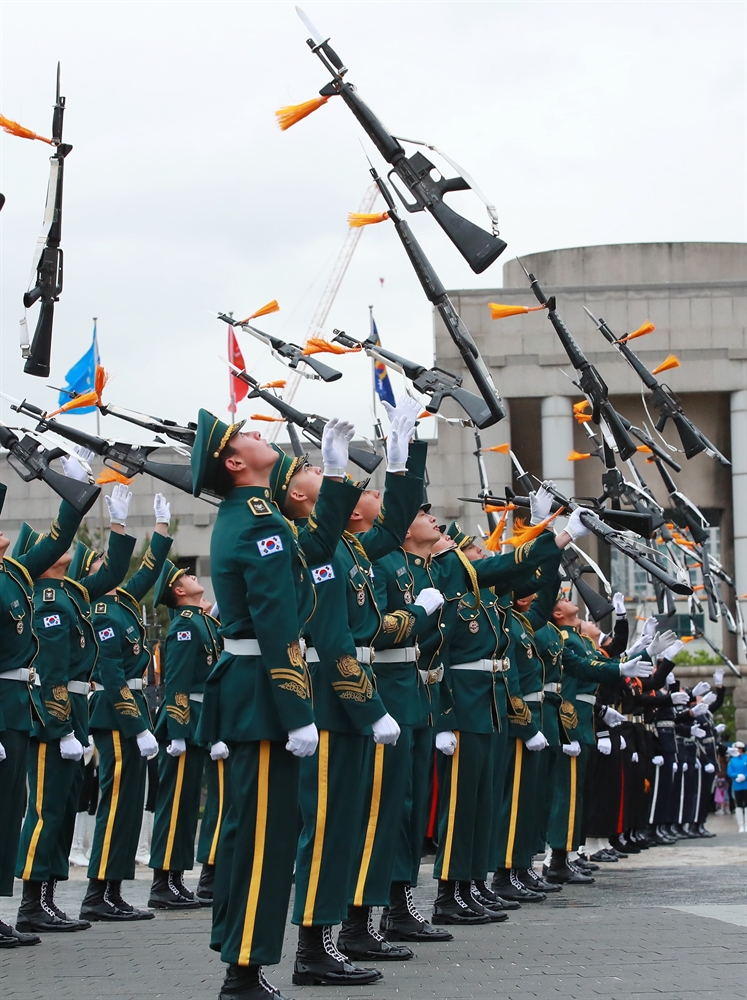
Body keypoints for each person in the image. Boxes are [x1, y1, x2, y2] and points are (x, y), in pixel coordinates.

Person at [191, 412, 361, 1000]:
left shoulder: (261, 517)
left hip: (260, 690)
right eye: (244, 436)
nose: (256, 433)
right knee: (264, 837)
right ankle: (242, 970)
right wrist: (297, 711)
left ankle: (245, 962)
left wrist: (336, 475)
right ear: (235, 463)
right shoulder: (250, 524)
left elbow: (313, 549)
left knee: (261, 834)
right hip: (263, 694)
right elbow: (275, 621)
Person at [280, 399, 426, 985]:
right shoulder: (309, 547)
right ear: (299, 496)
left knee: (349, 821)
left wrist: (403, 457)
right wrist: (369, 706)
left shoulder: (347, 546)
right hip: (329, 696)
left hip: (352, 693)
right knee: (325, 824)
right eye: (318, 471)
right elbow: (331, 635)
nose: (335, 474)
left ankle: (337, 934)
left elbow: (395, 524)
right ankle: (313, 947)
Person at [15, 485, 136, 933]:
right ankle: (31, 903)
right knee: (46, 810)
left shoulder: (70, 594)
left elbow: (118, 573)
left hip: (74, 712)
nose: (70, 551)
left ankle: (46, 898)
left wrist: (120, 525)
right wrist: (60, 725)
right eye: (60, 549)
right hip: (53, 716)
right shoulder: (46, 600)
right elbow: (49, 671)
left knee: (63, 811)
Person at [78, 494, 174, 921]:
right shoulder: (101, 610)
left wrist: (161, 529)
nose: (113, 570)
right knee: (115, 802)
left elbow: (150, 571)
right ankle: (97, 892)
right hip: (116, 711)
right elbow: (113, 674)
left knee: (130, 803)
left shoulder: (124, 603)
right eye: (102, 565)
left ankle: (113, 889)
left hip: (131, 708)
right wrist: (137, 725)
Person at [0, 477, 85, 947]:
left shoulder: (11, 576)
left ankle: (21, 906)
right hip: (10, 710)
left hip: (16, 710)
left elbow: (58, 538)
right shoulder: (17, 586)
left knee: (13, 814)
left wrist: (78, 489)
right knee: (22, 812)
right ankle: (29, 903)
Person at [147, 559, 222, 909]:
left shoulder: (201, 623)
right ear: (179, 592)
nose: (193, 577)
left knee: (188, 805)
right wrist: (177, 730)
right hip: (185, 725)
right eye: (186, 577)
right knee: (174, 806)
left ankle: (176, 880)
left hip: (198, 722)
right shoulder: (185, 627)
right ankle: (162, 883)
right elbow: (175, 680)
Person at [726, 742, 746, 831]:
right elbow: (729, 772)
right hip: (737, 785)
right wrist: (737, 775)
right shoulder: (732, 760)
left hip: (746, 784)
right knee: (738, 805)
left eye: (739, 748)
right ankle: (740, 825)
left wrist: (745, 776)